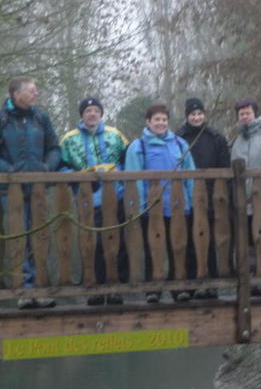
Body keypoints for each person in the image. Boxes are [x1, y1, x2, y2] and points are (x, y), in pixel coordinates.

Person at [60, 97, 129, 305]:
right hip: (87, 200)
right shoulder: (69, 139)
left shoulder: (115, 135)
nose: (92, 114)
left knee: (119, 243)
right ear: (82, 114)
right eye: (88, 110)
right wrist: (79, 179)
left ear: (101, 114)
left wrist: (119, 177)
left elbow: (130, 160)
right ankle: (95, 289)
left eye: (96, 110)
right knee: (92, 245)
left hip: (116, 197)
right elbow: (60, 166)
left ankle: (117, 288)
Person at [124, 102, 196, 303]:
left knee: (178, 247)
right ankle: (153, 289)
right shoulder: (138, 147)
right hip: (151, 209)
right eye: (157, 119)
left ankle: (178, 288)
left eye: (164, 119)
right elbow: (134, 178)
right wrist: (138, 206)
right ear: (148, 122)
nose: (161, 123)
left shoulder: (180, 144)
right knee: (152, 249)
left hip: (178, 208)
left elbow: (190, 175)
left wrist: (192, 202)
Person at [0, 76, 60, 309]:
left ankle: (41, 289)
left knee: (40, 236)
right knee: (18, 237)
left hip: (38, 190)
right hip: (10, 191)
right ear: (17, 94)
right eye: (32, 90)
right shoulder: (3, 119)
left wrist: (46, 168)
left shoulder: (41, 117)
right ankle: (24, 290)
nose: (36, 94)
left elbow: (54, 148)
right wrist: (11, 171)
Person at [175, 97, 230, 299]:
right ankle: (191, 284)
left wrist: (222, 196)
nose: (196, 117)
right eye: (192, 114)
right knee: (188, 241)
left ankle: (211, 283)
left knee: (210, 241)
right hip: (187, 198)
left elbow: (225, 166)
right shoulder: (178, 138)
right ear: (187, 116)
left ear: (204, 115)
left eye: (199, 114)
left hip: (211, 196)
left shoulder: (216, 137)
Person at [230, 98, 261, 296]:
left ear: (255, 114)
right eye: (241, 113)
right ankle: (249, 282)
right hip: (243, 203)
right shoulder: (235, 141)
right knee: (247, 240)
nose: (244, 116)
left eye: (248, 113)